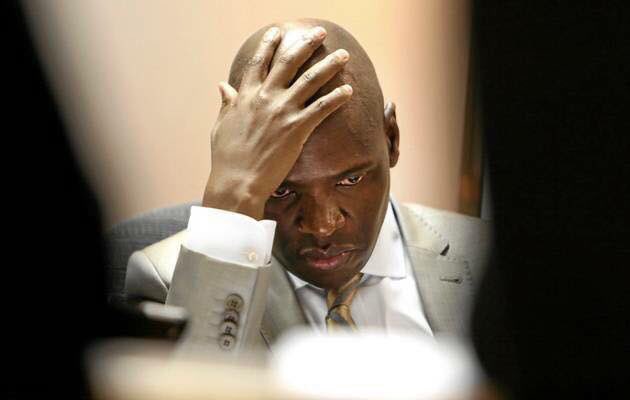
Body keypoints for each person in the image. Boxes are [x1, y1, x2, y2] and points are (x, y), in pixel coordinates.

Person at [124, 18, 492, 351]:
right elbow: (199, 387)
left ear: (392, 139)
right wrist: (232, 197)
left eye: (350, 179)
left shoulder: (492, 261)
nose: (322, 225)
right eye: (282, 190)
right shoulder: (169, 286)